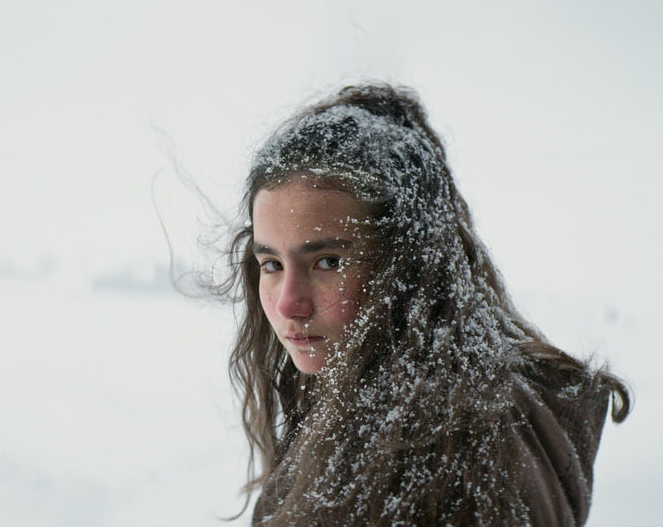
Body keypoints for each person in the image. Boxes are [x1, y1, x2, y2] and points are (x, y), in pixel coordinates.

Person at [218, 84, 629, 526]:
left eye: (327, 261)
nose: (287, 305)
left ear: (408, 266)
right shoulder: (493, 397)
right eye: (272, 263)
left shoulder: (432, 468)